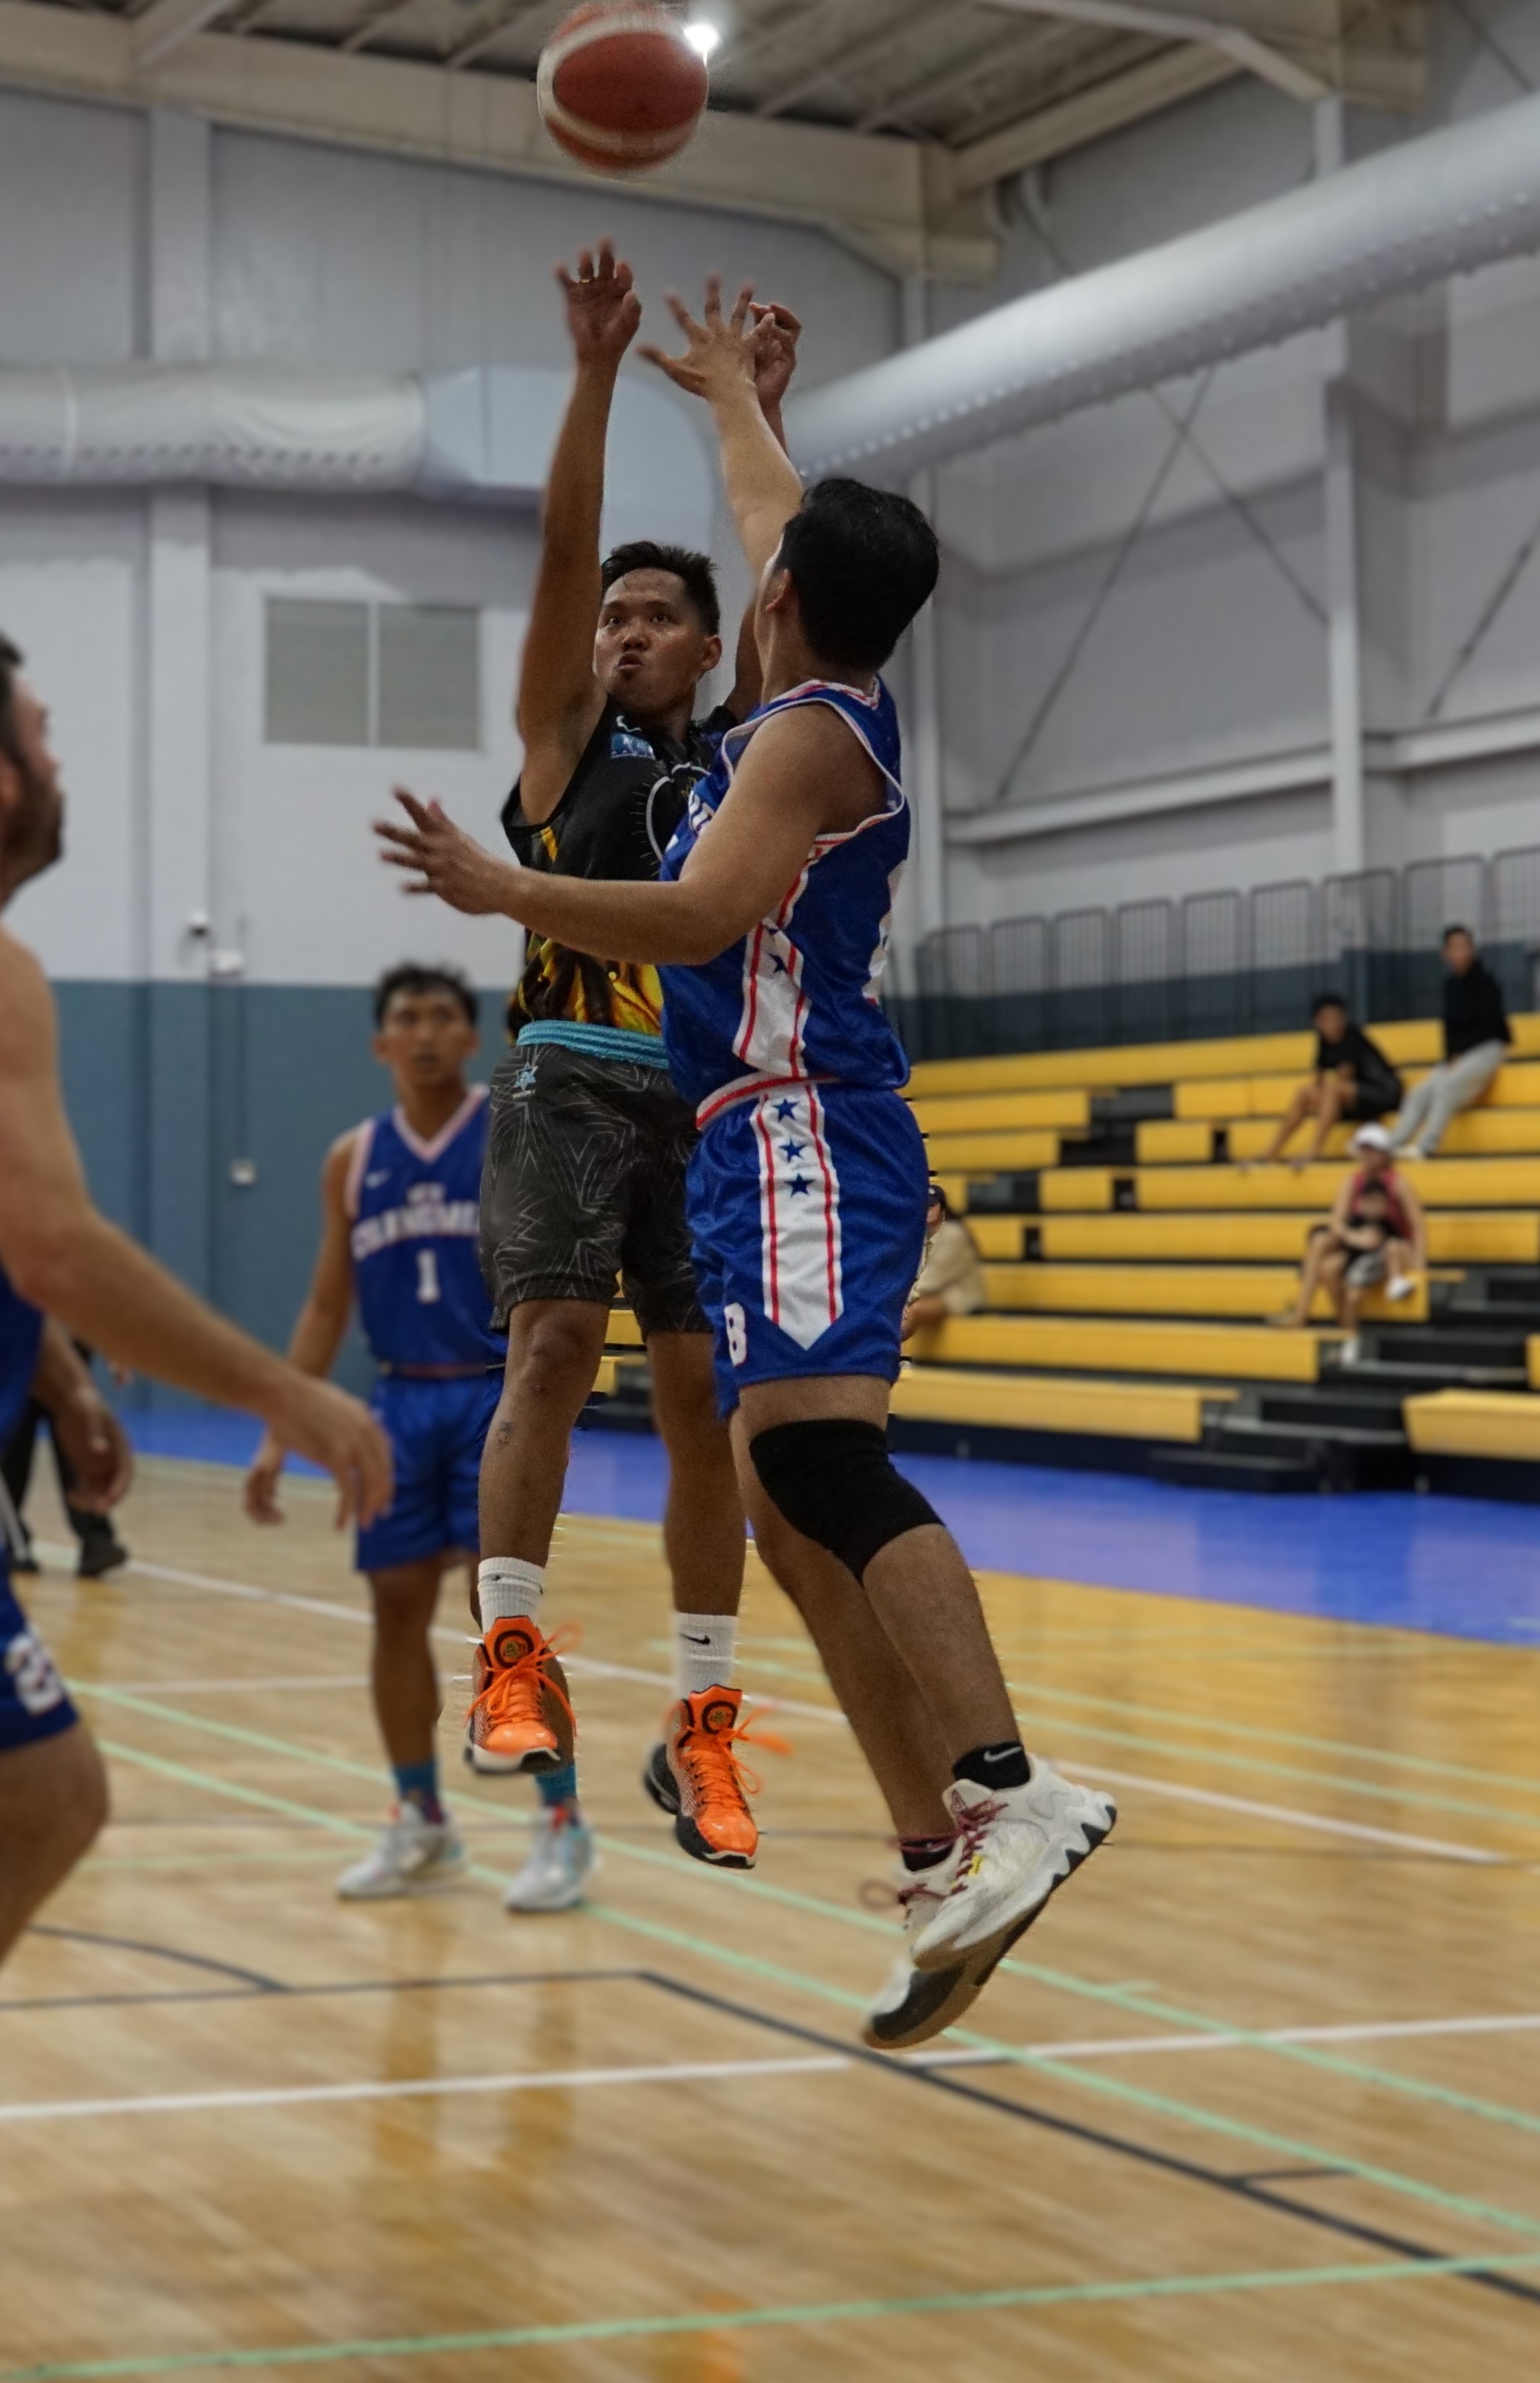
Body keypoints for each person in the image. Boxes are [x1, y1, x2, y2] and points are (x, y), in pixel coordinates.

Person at [378, 275, 1115, 2035]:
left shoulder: (791, 740)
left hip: (795, 1122)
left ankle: (1009, 1792)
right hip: (758, 1141)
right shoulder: (819, 690)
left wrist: (506, 890)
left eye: (754, 568)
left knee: (822, 1476)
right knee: (793, 1507)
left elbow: (705, 915)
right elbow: (780, 521)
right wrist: (736, 397)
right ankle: (942, 1849)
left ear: (769, 614)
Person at [0, 625, 390, 2345]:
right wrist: (296, 1391)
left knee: (49, 1799)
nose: (60, 762)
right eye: (47, 733)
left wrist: (59, 1389)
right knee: (31, 1818)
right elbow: (54, 1240)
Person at [440, 241, 799, 1878]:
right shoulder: (562, 743)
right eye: (617, 619)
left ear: (706, 646)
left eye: (660, 616)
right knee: (556, 1340)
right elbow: (563, 545)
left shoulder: (741, 755)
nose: (629, 630)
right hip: (571, 1068)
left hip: (704, 1094)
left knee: (703, 1399)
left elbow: (797, 592)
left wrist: (759, 411)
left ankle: (703, 1732)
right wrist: (590, 375)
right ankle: (511, 1655)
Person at [244, 963, 582, 1909]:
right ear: (379, 1043)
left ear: (469, 1037)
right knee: (394, 1608)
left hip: (491, 1396)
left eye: (441, 1016)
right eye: (406, 1019)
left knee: (499, 1615)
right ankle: (419, 1818)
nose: (425, 1032)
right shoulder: (351, 1158)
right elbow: (324, 1301)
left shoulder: (506, 1134)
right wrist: (283, 1426)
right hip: (397, 1406)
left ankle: (560, 1820)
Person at [0, 1337, 129, 1580]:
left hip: (63, 1345)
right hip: (19, 1353)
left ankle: (96, 1538)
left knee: (78, 1444)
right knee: (12, 1453)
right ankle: (10, 1540)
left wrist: (113, 1348)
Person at [1270, 1123, 1427, 1364]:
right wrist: (1356, 1238)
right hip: (1361, 1247)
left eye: (1372, 1150)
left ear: (1385, 1153)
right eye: (1363, 1150)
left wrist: (1419, 1265)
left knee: (1327, 1251)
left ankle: (1326, 1324)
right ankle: (1337, 1327)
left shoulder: (1398, 1182)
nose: (1366, 1156)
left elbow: (1417, 1226)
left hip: (1391, 1247)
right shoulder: (1352, 1182)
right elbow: (1337, 1222)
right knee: (1326, 1257)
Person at [1388, 924, 1510, 1159]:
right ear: (1445, 954)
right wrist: (1451, 1055)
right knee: (1418, 1093)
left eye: (1464, 946)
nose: (1460, 952)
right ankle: (1392, 1145)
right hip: (1460, 1056)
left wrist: (1460, 1054)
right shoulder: (1450, 986)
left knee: (1447, 1086)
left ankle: (1427, 1146)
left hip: (1488, 1049)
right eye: (1454, 947)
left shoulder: (1486, 982)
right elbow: (1450, 1029)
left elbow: (1492, 1027)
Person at [1256, 994, 1401, 1169]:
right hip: (1354, 1099)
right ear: (1317, 1022)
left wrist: (1324, 1100)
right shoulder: (1323, 1040)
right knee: (1304, 1092)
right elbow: (1318, 1078)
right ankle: (1271, 1152)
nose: (1334, 1024)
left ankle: (1314, 1151)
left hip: (1383, 1094)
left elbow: (1344, 1076)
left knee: (1332, 1089)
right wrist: (1314, 1097)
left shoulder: (1352, 1036)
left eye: (1337, 1018)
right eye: (1327, 1019)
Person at [901, 1182, 987, 1340]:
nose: (927, 1209)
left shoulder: (952, 1235)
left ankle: (886, 1347)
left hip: (963, 1296)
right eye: (924, 1205)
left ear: (944, 1211)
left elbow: (928, 1281)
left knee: (917, 1308)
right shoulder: (921, 1236)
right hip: (937, 1293)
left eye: (932, 1205)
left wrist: (907, 1301)